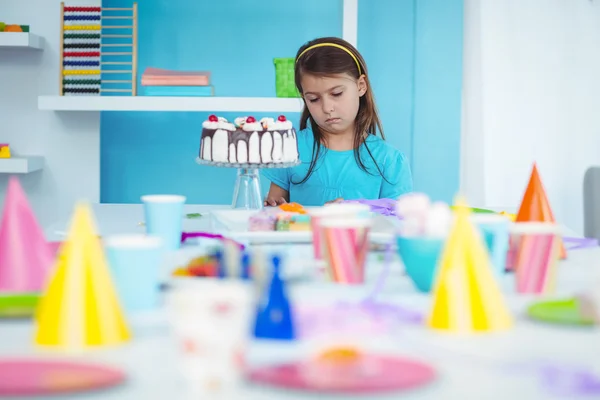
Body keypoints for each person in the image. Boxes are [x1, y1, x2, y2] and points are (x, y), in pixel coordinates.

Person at [262, 36, 413, 206]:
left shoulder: (390, 161)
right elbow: (275, 213)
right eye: (313, 99)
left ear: (361, 85)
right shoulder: (289, 149)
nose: (327, 108)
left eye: (336, 94)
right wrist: (273, 209)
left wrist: (352, 213)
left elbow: (396, 222)